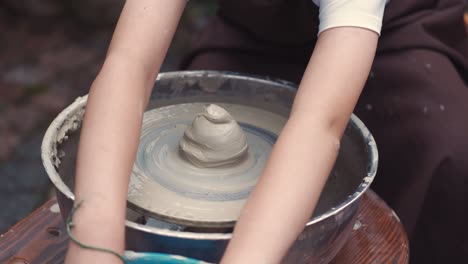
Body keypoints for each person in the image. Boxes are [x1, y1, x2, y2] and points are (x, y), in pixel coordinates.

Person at [66, 0, 468, 263]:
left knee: (443, 151)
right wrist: (94, 238)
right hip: (259, 34)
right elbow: (129, 65)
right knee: (196, 114)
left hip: (397, 34)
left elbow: (320, 123)